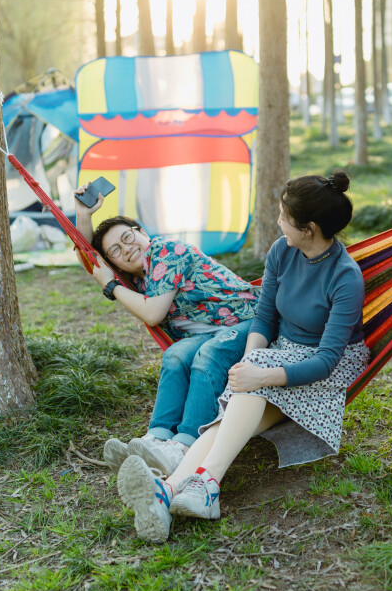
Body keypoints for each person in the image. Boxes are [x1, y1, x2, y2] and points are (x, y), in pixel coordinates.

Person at [116, 171, 369, 543]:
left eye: (284, 216)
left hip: (325, 368)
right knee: (237, 404)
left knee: (246, 394)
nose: (278, 220)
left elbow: (327, 361)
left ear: (310, 228)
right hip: (281, 352)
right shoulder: (282, 251)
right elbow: (265, 317)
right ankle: (172, 491)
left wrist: (261, 375)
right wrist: (250, 362)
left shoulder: (346, 278)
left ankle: (199, 485)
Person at [73, 187, 259, 477]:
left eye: (127, 237)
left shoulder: (165, 251)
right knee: (175, 355)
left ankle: (183, 447)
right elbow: (91, 260)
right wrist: (83, 214)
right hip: (210, 332)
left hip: (250, 321)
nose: (127, 249)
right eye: (116, 252)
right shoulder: (139, 277)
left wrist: (111, 286)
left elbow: (152, 312)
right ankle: (156, 439)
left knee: (207, 356)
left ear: (141, 232)